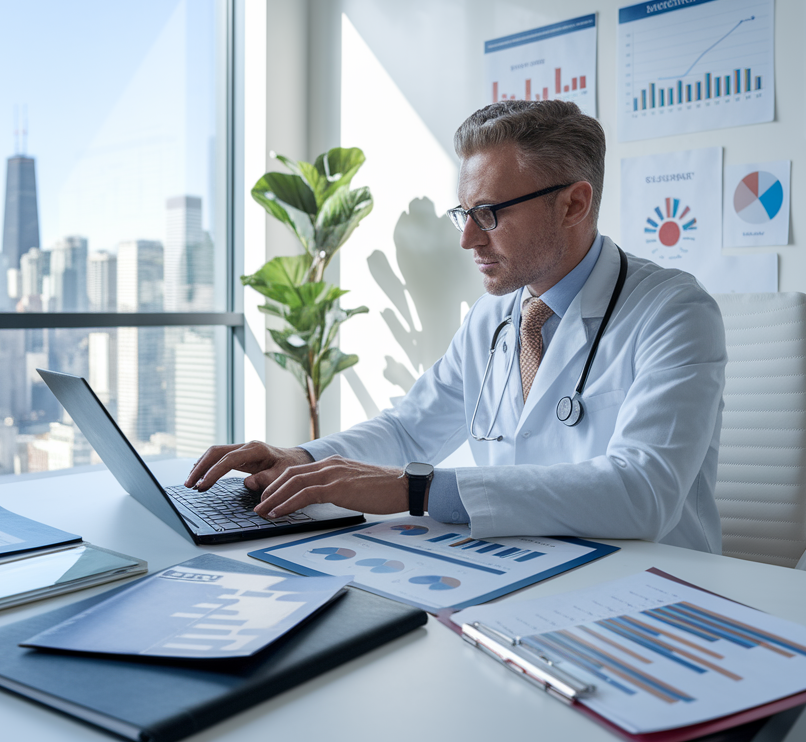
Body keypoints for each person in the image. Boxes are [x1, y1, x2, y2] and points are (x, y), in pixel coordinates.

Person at [187, 100, 726, 552]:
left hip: (648, 591)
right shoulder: (496, 317)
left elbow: (643, 494)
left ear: (573, 204)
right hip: (521, 569)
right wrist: (304, 459)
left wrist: (416, 491)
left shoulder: (672, 312)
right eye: (463, 213)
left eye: (489, 213)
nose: (468, 239)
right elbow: (408, 430)